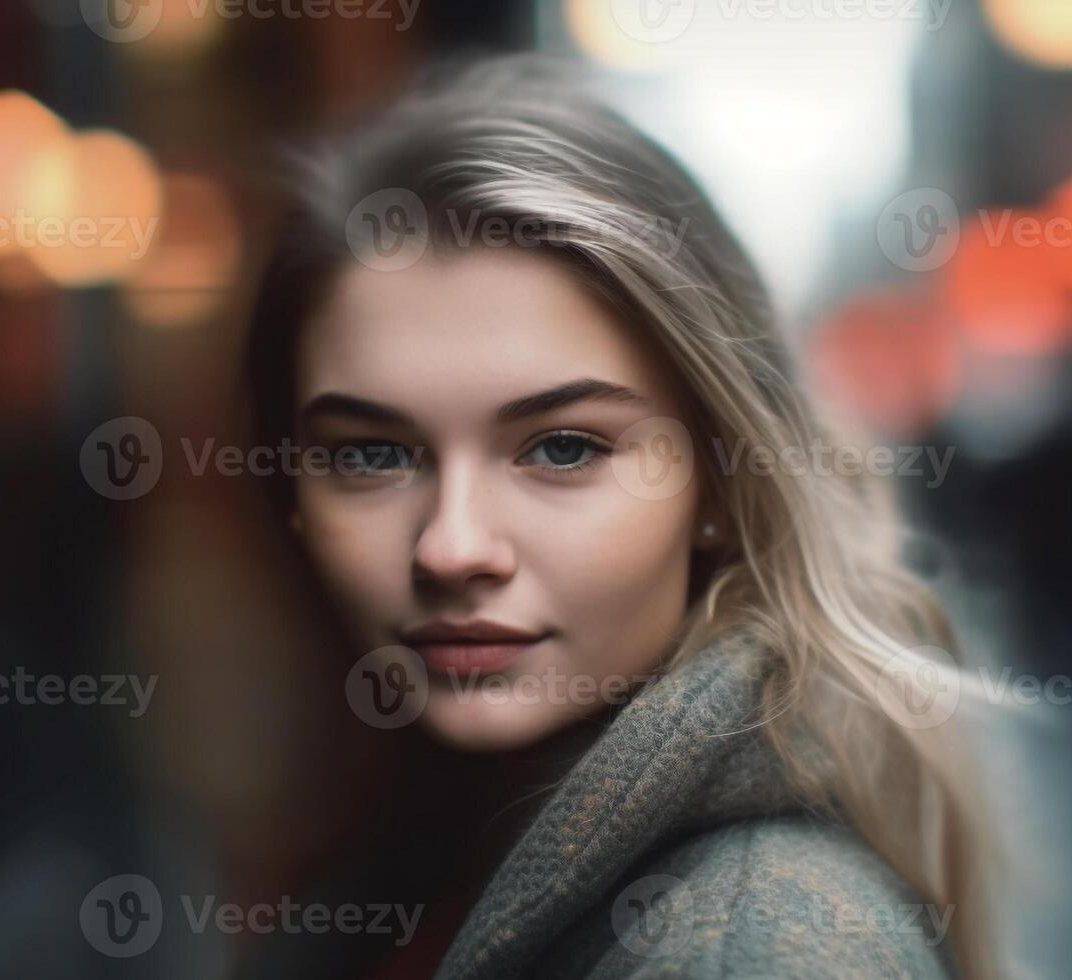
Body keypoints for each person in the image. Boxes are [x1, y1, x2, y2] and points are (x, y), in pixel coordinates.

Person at [245, 56, 995, 980]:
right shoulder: (413, 845)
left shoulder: (745, 953)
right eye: (371, 455)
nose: (452, 548)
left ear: (721, 484)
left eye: (563, 448)